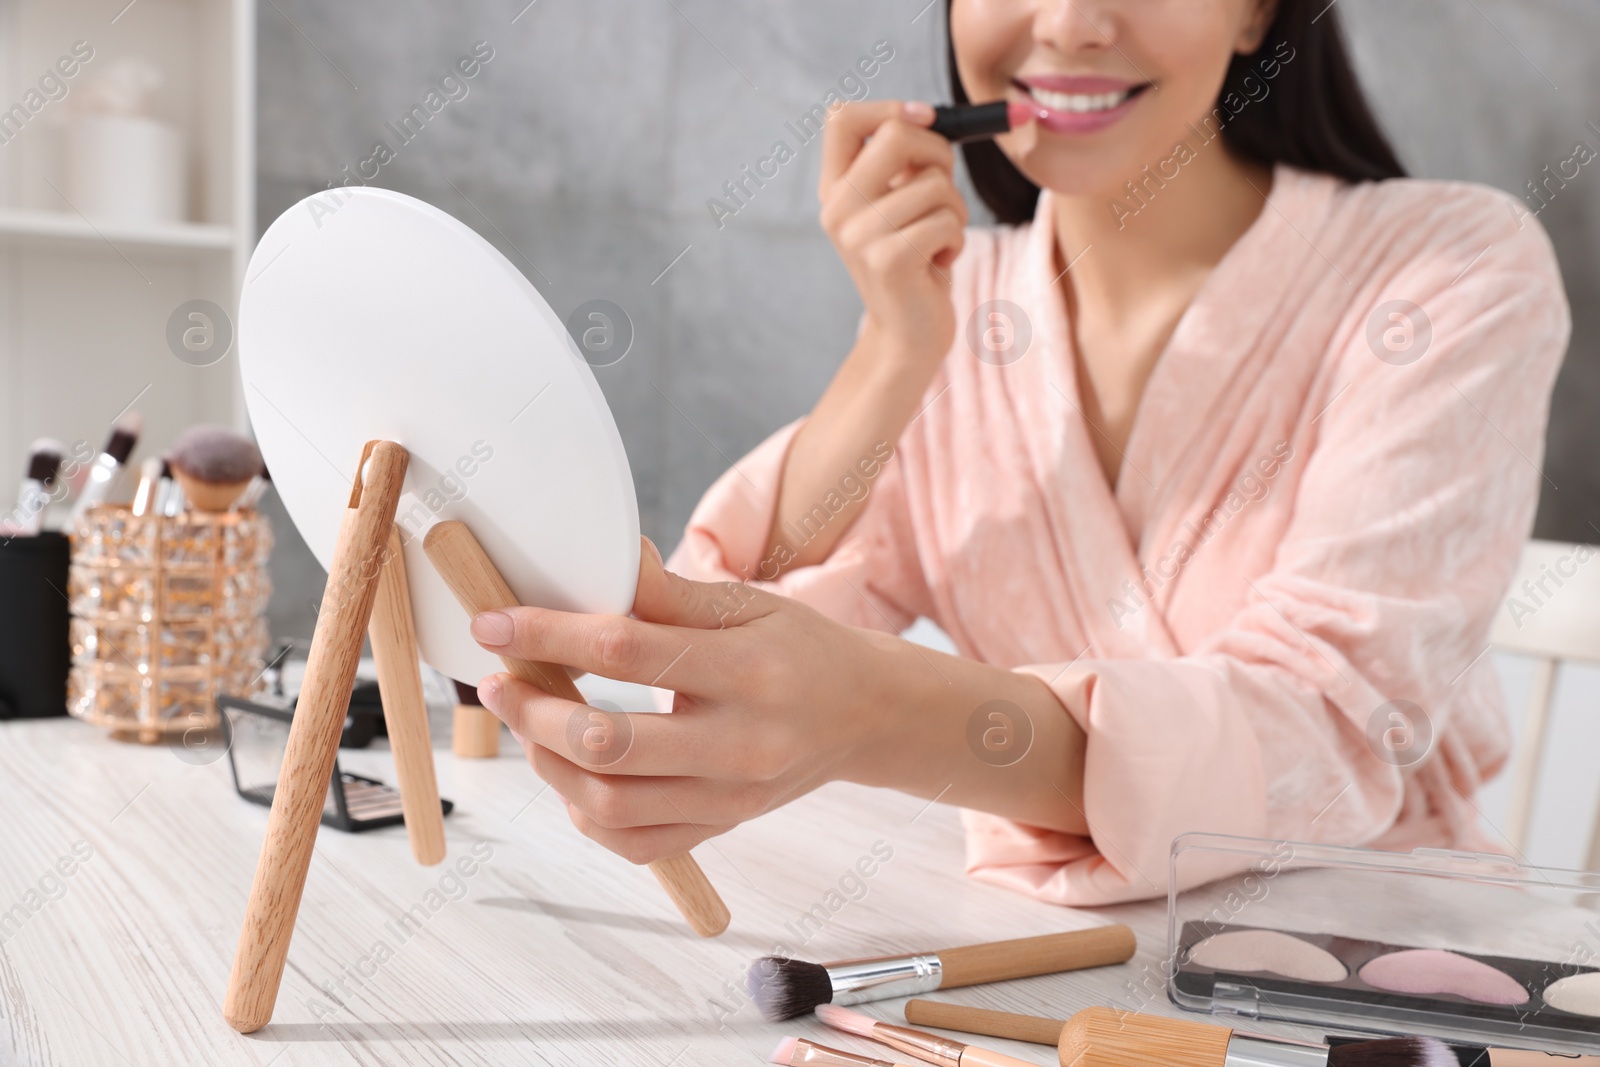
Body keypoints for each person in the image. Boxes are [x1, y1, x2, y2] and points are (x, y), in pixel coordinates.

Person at [469, 0, 1569, 904]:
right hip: (1037, 975)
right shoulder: (965, 305)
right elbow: (707, 638)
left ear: (1256, 16)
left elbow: (1330, 726)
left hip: (1370, 968)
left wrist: (877, 712)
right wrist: (889, 353)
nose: (1072, 21)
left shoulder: (1448, 271)